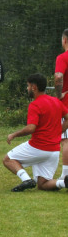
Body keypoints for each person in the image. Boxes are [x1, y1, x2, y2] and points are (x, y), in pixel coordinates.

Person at [4, 73, 68, 192]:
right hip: (53, 151)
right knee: (43, 184)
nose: (27, 88)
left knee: (8, 159)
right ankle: (63, 183)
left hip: (38, 147)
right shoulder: (56, 101)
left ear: (34, 87)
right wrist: (59, 131)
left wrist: (14, 134)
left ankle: (26, 179)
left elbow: (31, 128)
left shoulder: (35, 104)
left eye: (28, 86)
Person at [54, 28, 68, 179]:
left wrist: (59, 95)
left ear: (64, 40)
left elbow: (58, 77)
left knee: (65, 140)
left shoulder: (63, 57)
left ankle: (65, 176)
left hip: (67, 104)